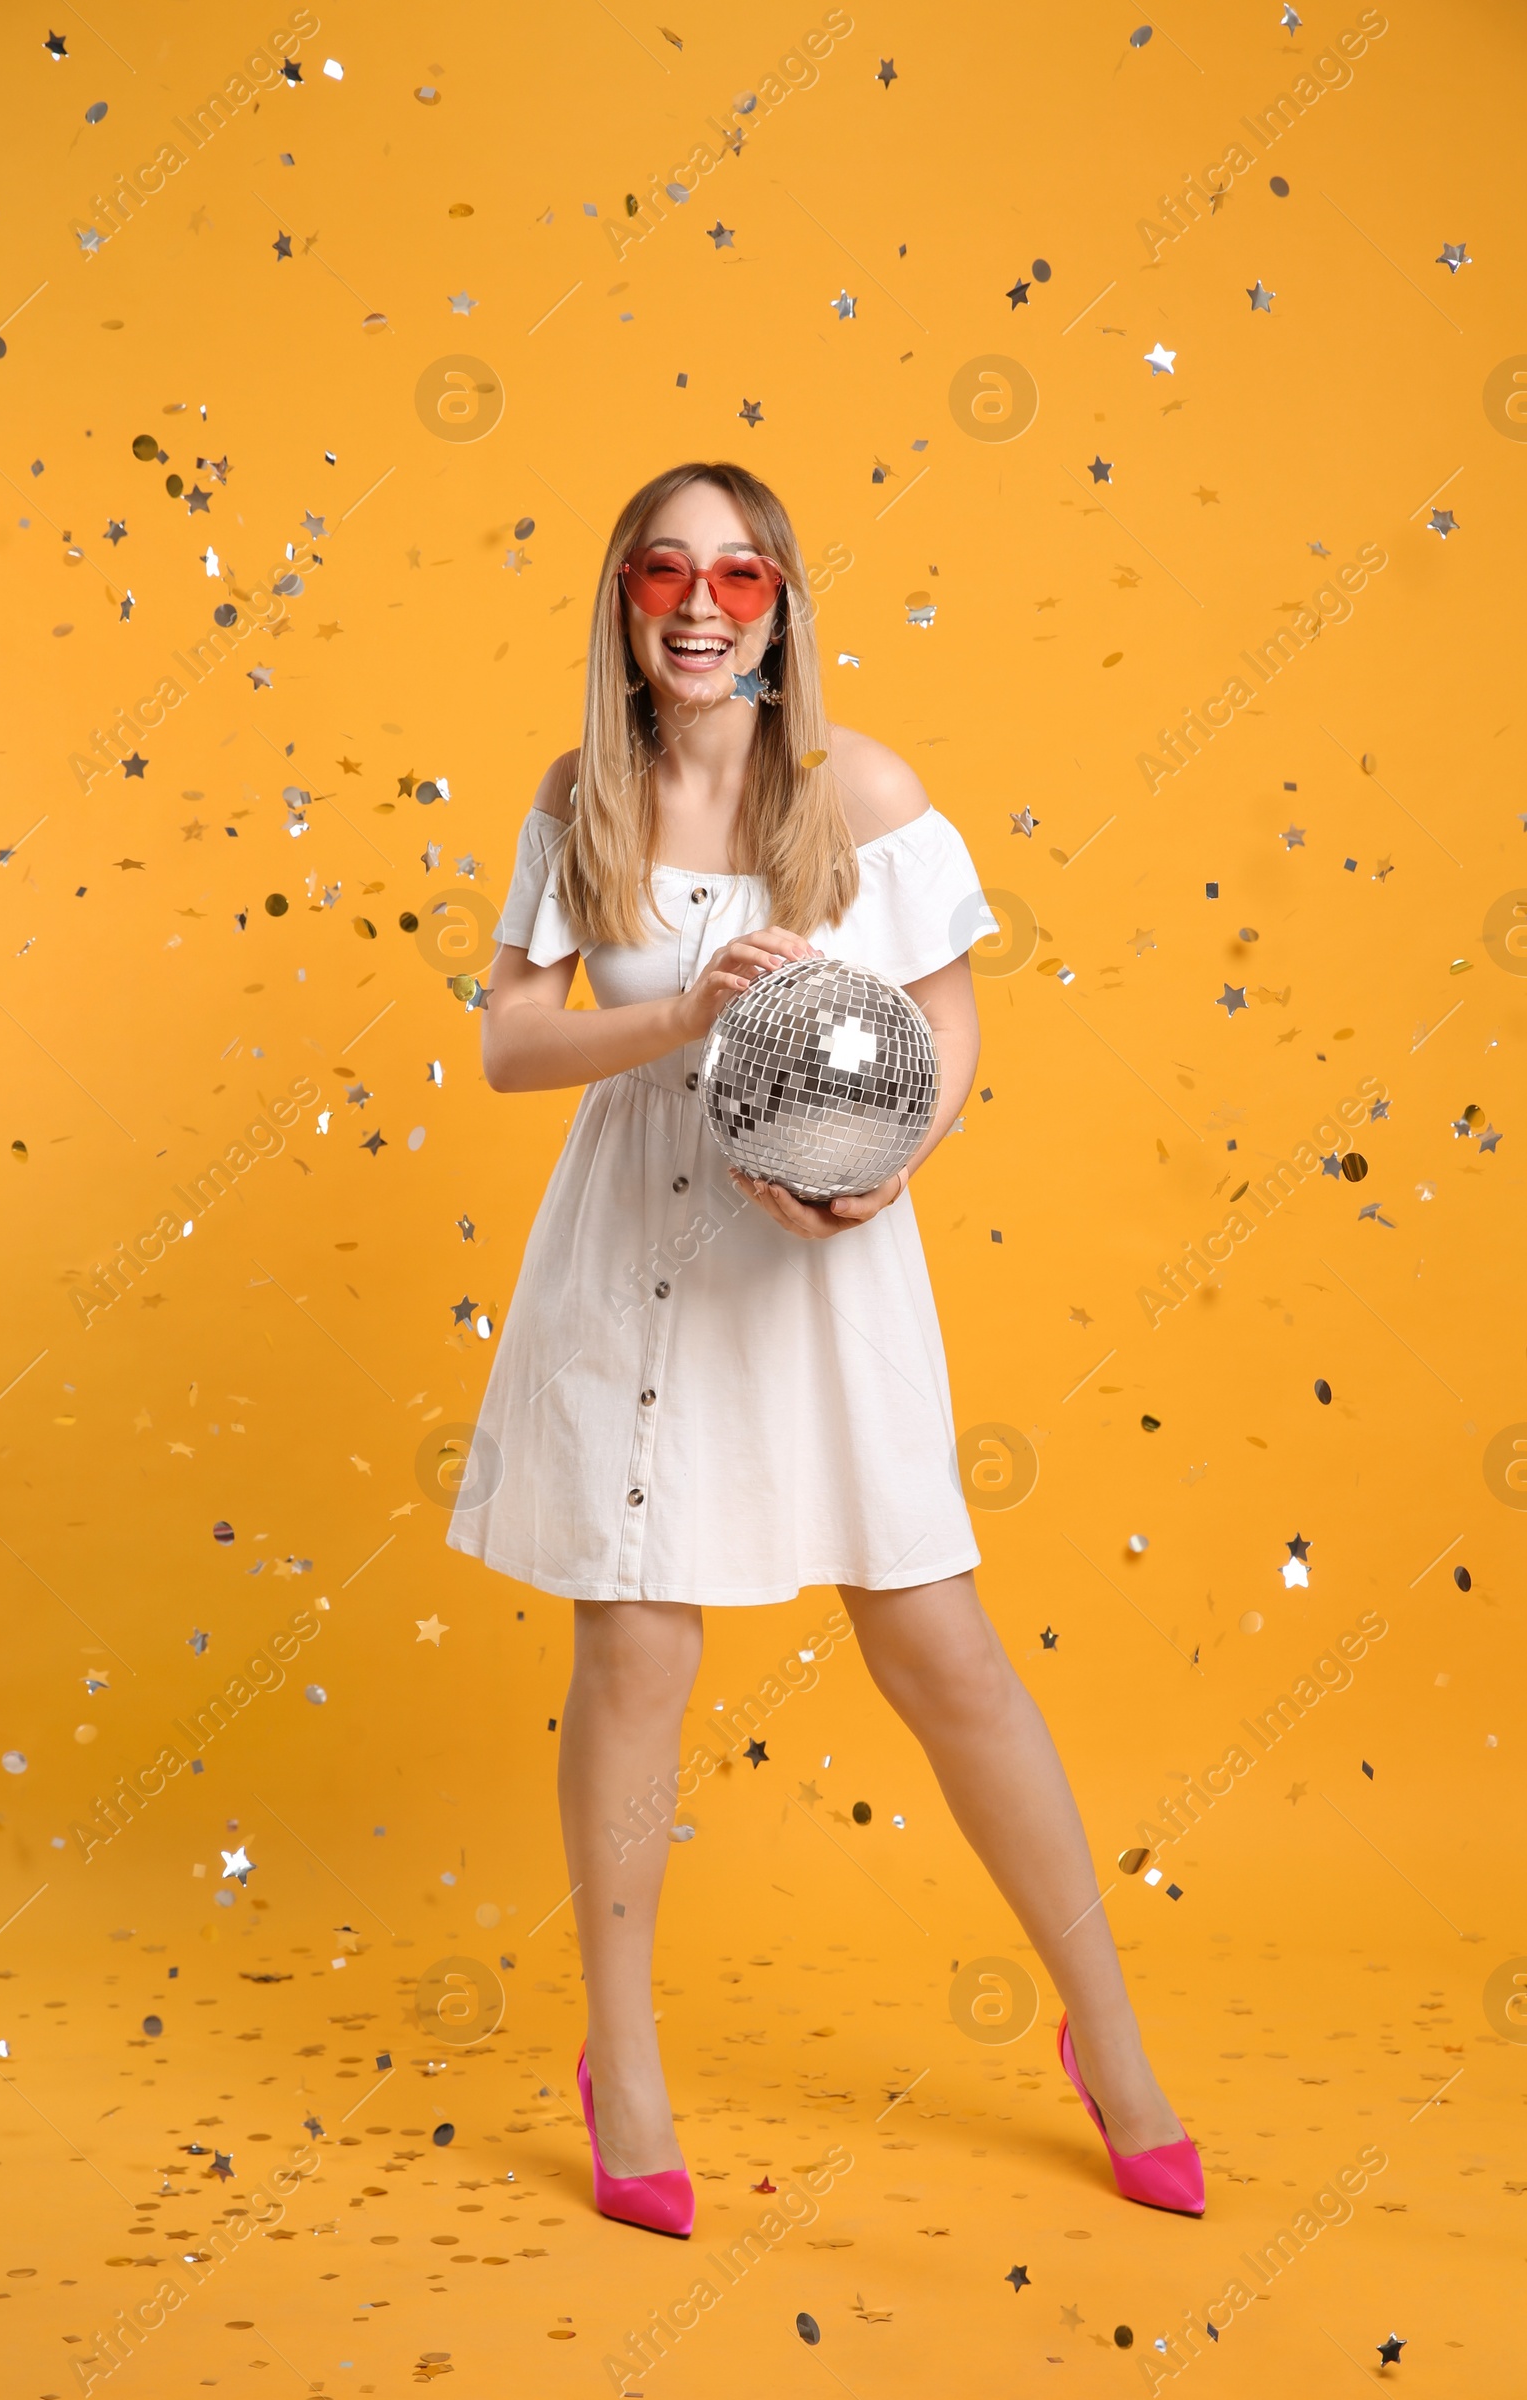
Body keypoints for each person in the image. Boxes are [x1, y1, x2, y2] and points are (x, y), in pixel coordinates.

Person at [449, 461, 1202, 2231]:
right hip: (641, 1253)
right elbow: (505, 1046)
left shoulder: (860, 788)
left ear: (782, 602)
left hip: (824, 1260)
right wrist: (677, 1030)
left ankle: (1111, 2038)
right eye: (663, 572)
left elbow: (950, 1041)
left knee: (941, 1653)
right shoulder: (585, 799)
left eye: (738, 574)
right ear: (624, 603)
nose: (701, 605)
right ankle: (621, 2072)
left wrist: (873, 1181)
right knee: (636, 1657)